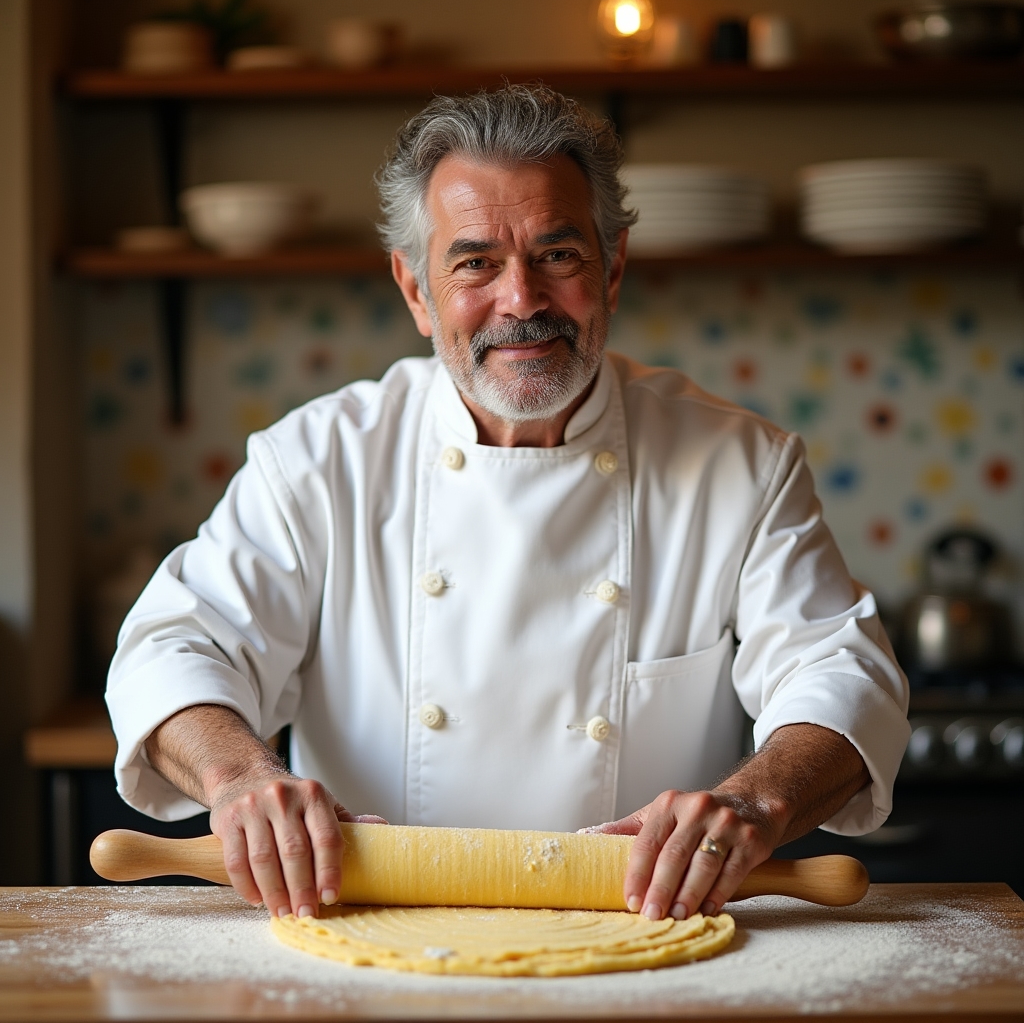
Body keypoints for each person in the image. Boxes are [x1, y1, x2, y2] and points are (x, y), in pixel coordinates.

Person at [107, 84, 909, 928]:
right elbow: (174, 647)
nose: (521, 300)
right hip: (368, 946)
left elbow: (841, 673)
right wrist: (240, 778)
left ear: (615, 266)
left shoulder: (741, 464)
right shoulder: (316, 462)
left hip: (644, 945)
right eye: (475, 261)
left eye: (559, 255)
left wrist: (757, 802)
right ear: (416, 290)